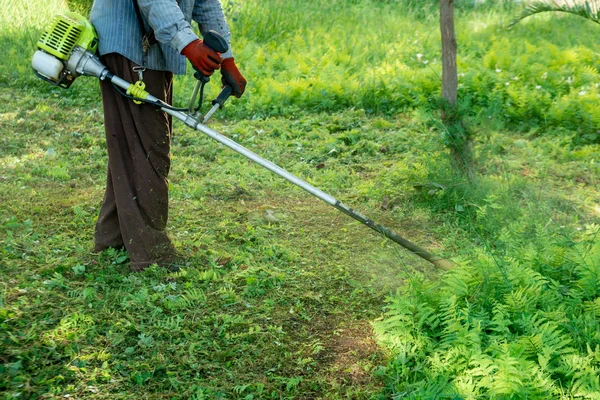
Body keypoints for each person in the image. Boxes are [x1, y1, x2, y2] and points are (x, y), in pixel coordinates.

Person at [89, 0, 246, 271]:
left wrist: (227, 59)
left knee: (132, 142)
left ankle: (112, 238)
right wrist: (188, 44)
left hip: (151, 49)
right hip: (132, 45)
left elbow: (206, 2)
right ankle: (152, 254)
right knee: (150, 148)